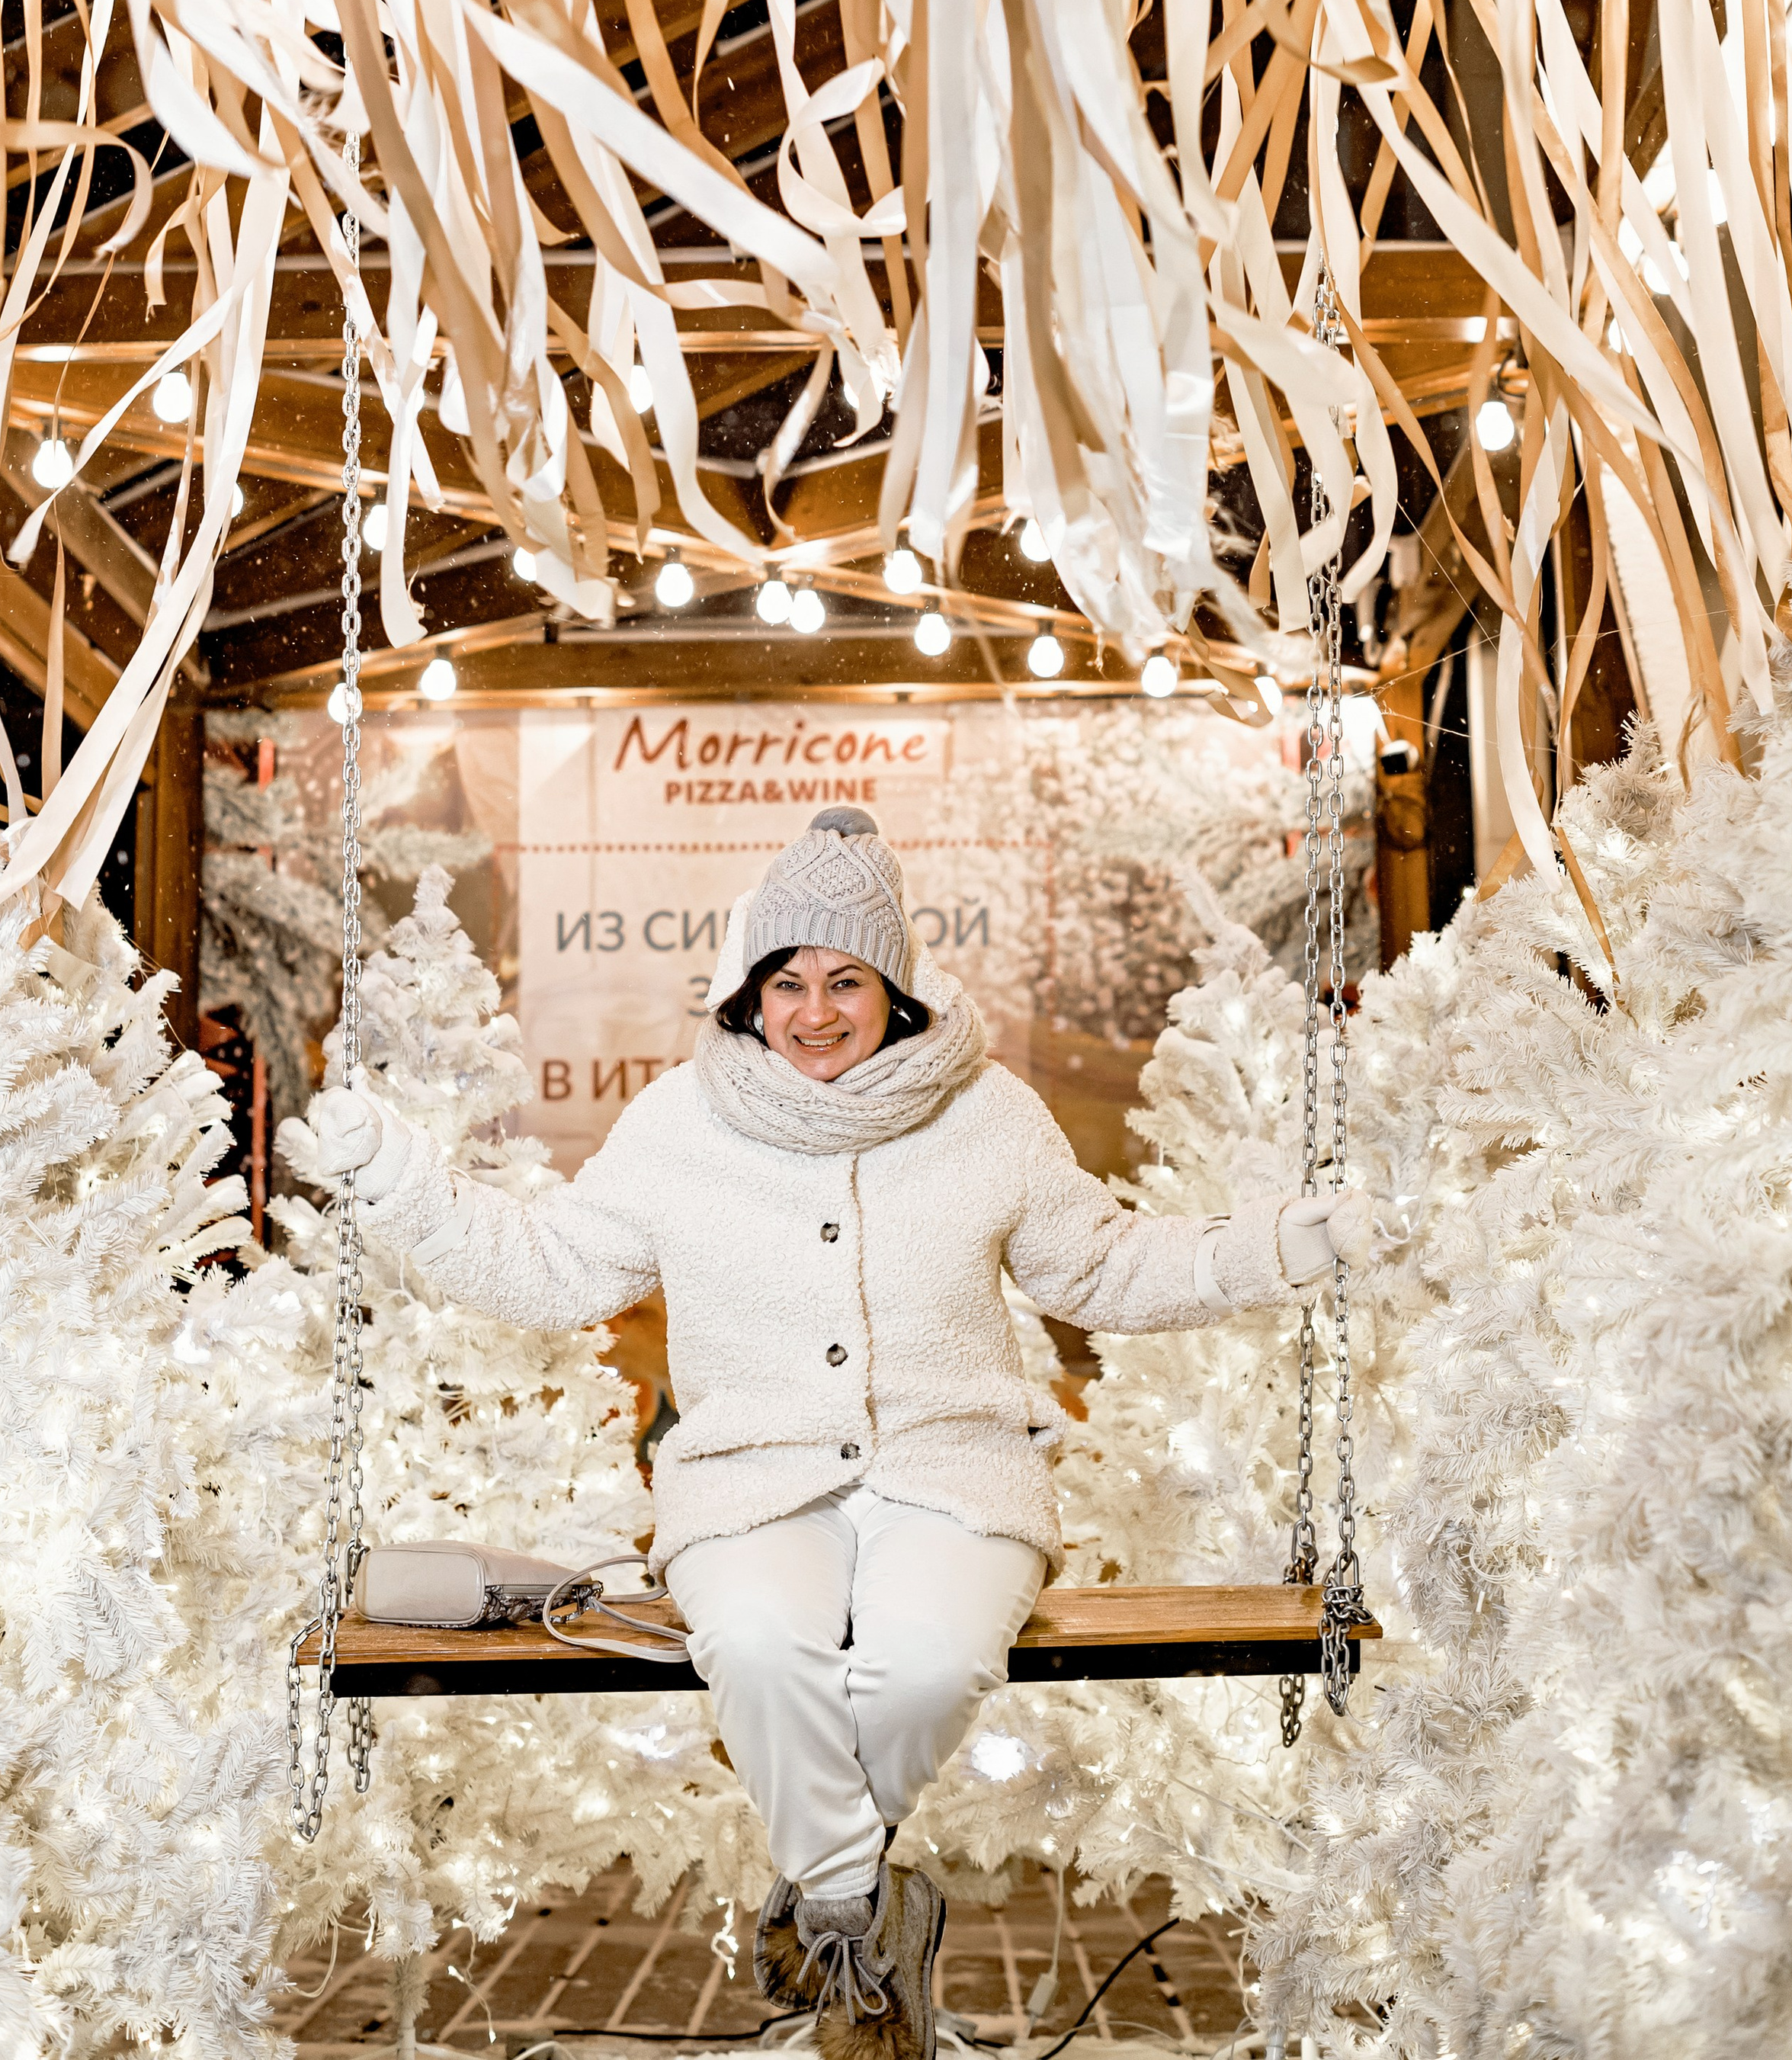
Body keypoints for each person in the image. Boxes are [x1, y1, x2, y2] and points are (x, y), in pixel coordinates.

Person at [312, 806, 1370, 2060]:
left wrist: (1281, 1246)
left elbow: (1110, 1269)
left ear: (896, 989)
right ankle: (862, 1927)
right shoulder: (677, 1124)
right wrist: (396, 1181)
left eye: (847, 980)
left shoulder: (991, 1115)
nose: (816, 1010)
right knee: (757, 1646)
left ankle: (825, 1910)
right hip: (750, 1488)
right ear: (753, 991)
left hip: (955, 1477)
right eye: (789, 980)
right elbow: (547, 1272)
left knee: (922, 1665)